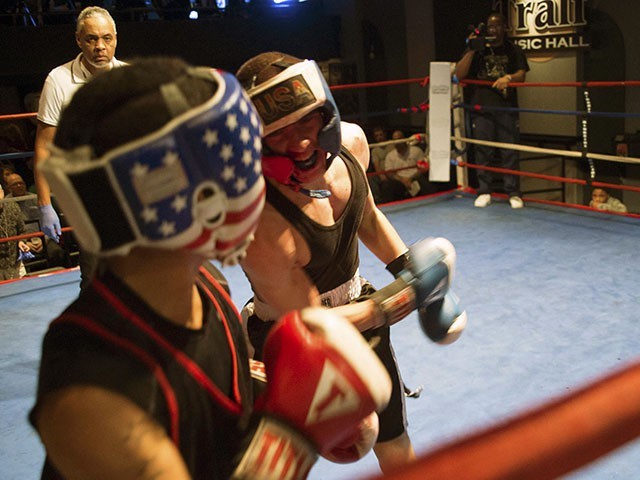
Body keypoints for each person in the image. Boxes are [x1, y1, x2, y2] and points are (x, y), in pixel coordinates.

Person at [29, 56, 392, 480]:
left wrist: (296, 390)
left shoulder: (206, 286)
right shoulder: (92, 393)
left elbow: (213, 399)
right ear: (186, 194)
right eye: (235, 165)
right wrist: (295, 434)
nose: (259, 183)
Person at [236, 52, 467, 474]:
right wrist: (410, 293)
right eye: (281, 133)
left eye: (307, 122)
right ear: (259, 141)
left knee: (392, 433)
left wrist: (406, 269)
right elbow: (308, 329)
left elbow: (369, 218)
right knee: (277, 463)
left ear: (326, 113)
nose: (302, 142)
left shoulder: (350, 149)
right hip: (285, 342)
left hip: (357, 306)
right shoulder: (262, 226)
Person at [33, 6, 126, 288]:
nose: (100, 46)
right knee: (96, 276)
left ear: (115, 39)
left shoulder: (129, 77)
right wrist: (44, 203)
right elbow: (44, 146)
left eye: (106, 38)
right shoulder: (59, 80)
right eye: (91, 39)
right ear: (78, 41)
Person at [455, 11, 529, 209]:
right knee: (483, 150)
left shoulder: (513, 50)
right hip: (482, 107)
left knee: (509, 151)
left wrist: (509, 78)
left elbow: (522, 74)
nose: (493, 30)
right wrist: (471, 48)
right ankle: (484, 190)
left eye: (497, 26)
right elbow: (459, 74)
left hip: (506, 107)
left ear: (504, 28)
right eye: (490, 26)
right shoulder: (478, 51)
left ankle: (513, 192)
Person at [4, 172, 65, 270]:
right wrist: (23, 242)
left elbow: (48, 220)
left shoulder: (36, 199)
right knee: (16, 258)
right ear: (9, 188)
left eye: (21, 183)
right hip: (20, 243)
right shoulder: (6, 205)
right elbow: (8, 230)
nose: (19, 186)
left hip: (42, 238)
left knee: (57, 252)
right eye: (15, 184)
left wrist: (44, 239)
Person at [383, 129, 432, 199]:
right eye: (395, 140)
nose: (397, 142)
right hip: (399, 181)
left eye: (399, 139)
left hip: (416, 177)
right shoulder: (390, 156)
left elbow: (423, 167)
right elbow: (389, 173)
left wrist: (411, 178)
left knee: (425, 181)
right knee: (387, 185)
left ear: (404, 139)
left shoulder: (416, 150)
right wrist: (402, 180)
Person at [0, 184, 31, 280]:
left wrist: (21, 241)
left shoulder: (12, 207)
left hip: (15, 262)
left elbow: (22, 231)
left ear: (2, 193)